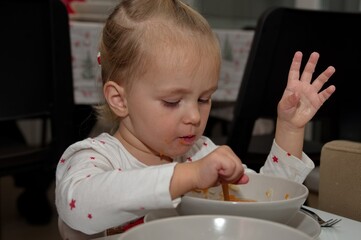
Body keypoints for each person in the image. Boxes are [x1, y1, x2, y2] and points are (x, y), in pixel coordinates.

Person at [55, 0, 336, 238]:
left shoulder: (200, 153)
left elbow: (263, 205)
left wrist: (289, 129)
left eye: (203, 99)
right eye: (172, 101)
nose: (193, 116)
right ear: (119, 99)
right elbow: (78, 207)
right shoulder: (95, 158)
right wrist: (186, 176)